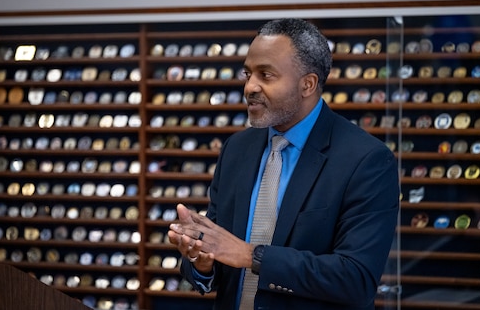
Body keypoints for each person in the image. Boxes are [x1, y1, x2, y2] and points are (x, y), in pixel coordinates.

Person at [168, 18, 399, 310]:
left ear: (308, 84)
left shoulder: (366, 160)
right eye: (247, 73)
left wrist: (253, 256)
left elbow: (356, 280)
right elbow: (219, 257)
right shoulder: (237, 149)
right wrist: (202, 260)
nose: (250, 86)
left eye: (266, 75)